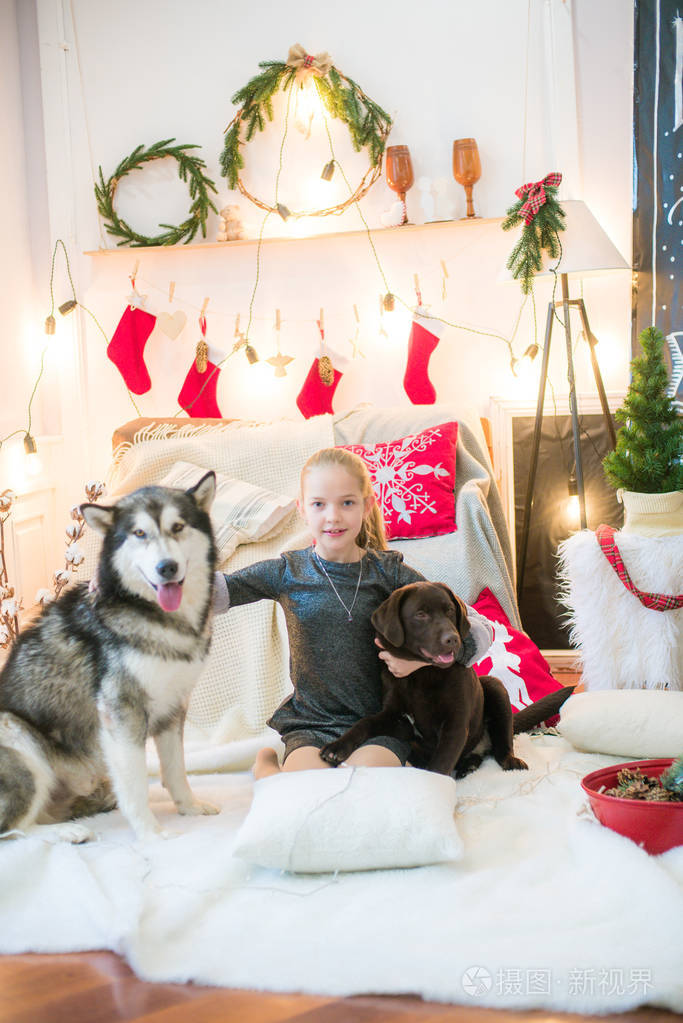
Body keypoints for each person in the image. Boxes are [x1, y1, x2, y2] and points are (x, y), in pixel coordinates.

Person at [213, 448, 494, 779]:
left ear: (367, 506)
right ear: (303, 509)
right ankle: (267, 762)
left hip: (381, 721)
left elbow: (480, 630)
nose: (333, 516)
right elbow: (218, 593)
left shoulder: (387, 572)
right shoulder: (289, 571)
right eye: (319, 504)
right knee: (308, 790)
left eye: (347, 503)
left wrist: (419, 661)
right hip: (312, 721)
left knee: (364, 785)